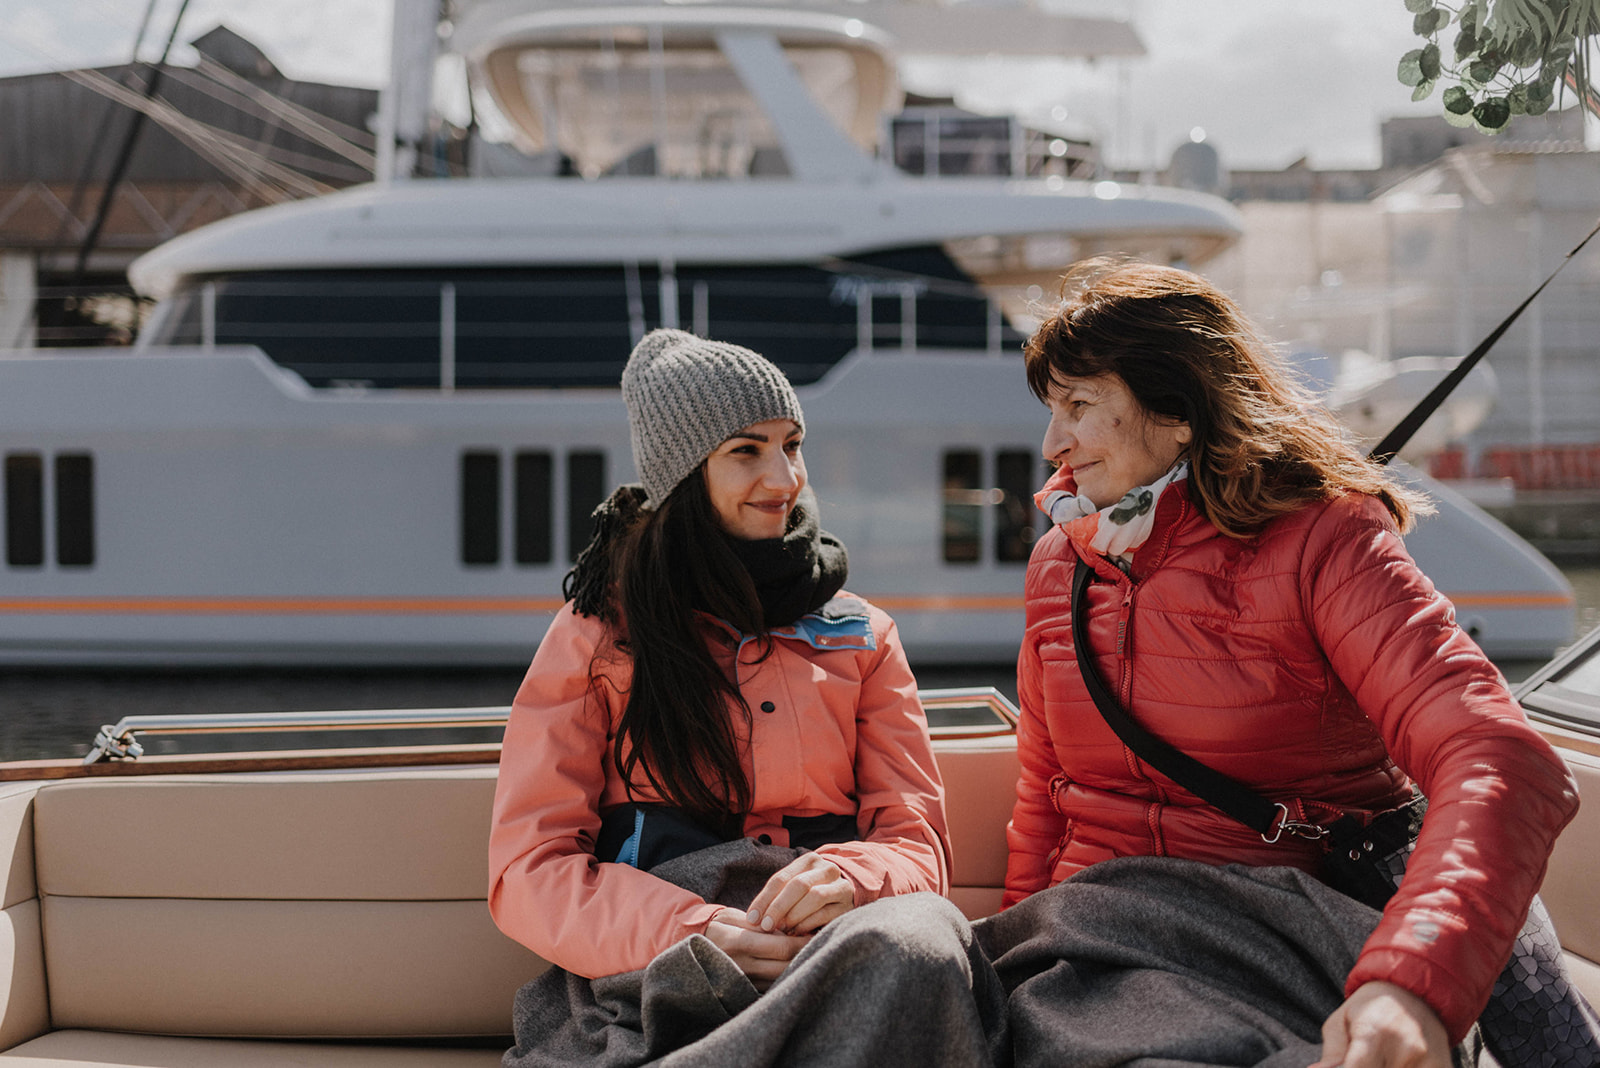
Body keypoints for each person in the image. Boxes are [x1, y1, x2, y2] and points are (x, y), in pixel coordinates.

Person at [1000, 258, 1582, 1068]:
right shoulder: (1058, 565)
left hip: (1272, 931)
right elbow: (1045, 795)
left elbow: (1499, 758)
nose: (1052, 444)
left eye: (1079, 406)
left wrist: (1410, 984)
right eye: (1051, 410)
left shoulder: (1325, 540)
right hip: (1090, 936)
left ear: (1180, 413)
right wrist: (1013, 970)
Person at [489, 329, 999, 1067]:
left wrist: (851, 879)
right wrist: (689, 930)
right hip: (669, 959)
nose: (784, 478)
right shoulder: (597, 634)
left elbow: (915, 845)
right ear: (684, 474)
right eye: (747, 451)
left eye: (792, 445)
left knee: (920, 941)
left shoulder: (864, 635)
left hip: (840, 943)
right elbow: (529, 870)